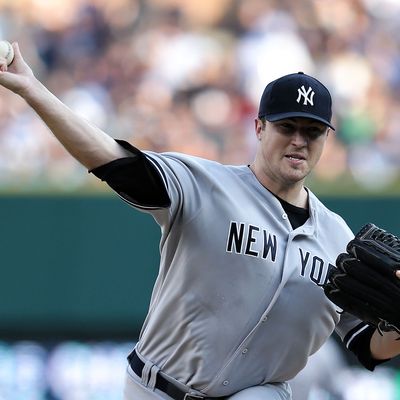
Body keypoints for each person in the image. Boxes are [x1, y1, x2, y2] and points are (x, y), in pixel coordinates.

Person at [1, 43, 400, 400]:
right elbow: (109, 158)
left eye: (313, 131)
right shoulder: (203, 186)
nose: (300, 140)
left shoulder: (339, 241)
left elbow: (366, 343)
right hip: (154, 389)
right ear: (259, 127)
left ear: (327, 138)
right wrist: (34, 90)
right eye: (287, 126)